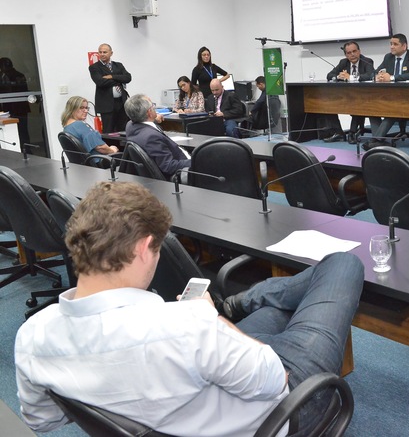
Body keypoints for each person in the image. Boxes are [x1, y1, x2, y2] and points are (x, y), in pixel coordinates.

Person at [15, 180, 364, 435]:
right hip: (283, 414)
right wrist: (211, 319)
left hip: (205, 392)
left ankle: (241, 303)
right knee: (343, 264)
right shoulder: (186, 326)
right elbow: (276, 380)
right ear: (143, 248)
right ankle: (236, 305)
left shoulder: (32, 336)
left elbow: (42, 419)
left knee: (276, 313)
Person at [363, 33, 409, 151]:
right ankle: (378, 140)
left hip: (408, 97)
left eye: (395, 44)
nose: (391, 47)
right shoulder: (388, 57)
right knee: (372, 108)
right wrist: (377, 76)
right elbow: (375, 72)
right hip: (388, 96)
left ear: (404, 46)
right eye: (391, 44)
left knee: (392, 110)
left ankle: (376, 140)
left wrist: (391, 77)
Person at [124, 93, 191, 180]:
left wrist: (154, 119)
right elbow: (168, 166)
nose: (155, 108)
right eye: (153, 106)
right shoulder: (151, 137)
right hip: (183, 172)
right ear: (149, 112)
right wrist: (196, 162)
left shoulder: (130, 126)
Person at [322, 41, 375, 143]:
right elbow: (329, 75)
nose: (352, 54)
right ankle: (338, 132)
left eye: (354, 51)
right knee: (328, 103)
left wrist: (350, 77)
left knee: (356, 103)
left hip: (364, 96)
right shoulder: (343, 62)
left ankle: (352, 133)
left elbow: (370, 75)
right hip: (346, 95)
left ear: (359, 51)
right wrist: (339, 76)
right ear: (346, 55)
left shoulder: (367, 61)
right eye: (349, 53)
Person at [88, 43, 132, 133]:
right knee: (109, 130)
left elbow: (128, 78)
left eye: (105, 52)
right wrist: (119, 79)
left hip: (122, 102)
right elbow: (100, 82)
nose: (102, 54)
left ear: (111, 53)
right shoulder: (94, 67)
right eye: (100, 52)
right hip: (106, 104)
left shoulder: (118, 65)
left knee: (123, 129)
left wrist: (112, 76)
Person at [0, 56, 31, 147]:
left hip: (17, 107)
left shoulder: (15, 76)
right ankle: (25, 148)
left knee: (20, 130)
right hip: (14, 108)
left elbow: (11, 90)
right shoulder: (7, 75)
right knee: (21, 130)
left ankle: (25, 148)